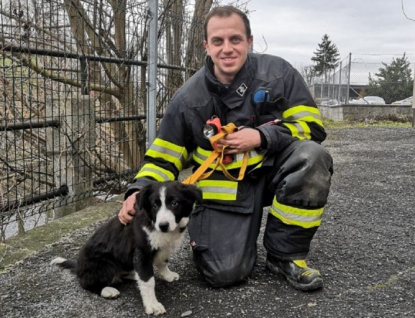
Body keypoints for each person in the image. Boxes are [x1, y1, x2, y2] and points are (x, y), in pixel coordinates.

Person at [119, 5, 333, 291]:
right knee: (223, 275)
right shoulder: (188, 99)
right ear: (206, 46)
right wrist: (136, 191)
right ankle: (233, 241)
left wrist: (262, 136)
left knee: (312, 158)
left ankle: (285, 255)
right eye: (218, 41)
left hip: (274, 175)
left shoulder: (279, 74)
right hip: (225, 195)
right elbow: (163, 157)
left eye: (235, 39)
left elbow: (312, 126)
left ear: (249, 41)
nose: (227, 49)